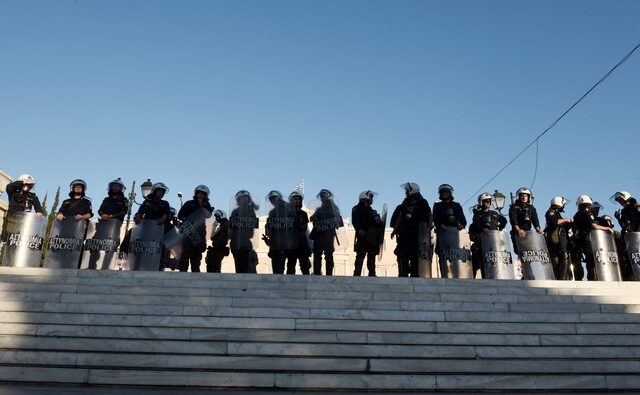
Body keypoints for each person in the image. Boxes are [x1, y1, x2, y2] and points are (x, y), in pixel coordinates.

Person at [390, 182, 433, 277]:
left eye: (407, 190)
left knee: (415, 252)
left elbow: (429, 214)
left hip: (417, 231)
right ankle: (403, 273)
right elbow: (400, 216)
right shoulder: (405, 202)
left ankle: (415, 273)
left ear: (412, 190)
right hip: (405, 230)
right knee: (402, 251)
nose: (406, 192)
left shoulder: (423, 202)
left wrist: (430, 225)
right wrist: (395, 230)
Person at [572, 195, 614, 281]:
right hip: (589, 240)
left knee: (589, 261)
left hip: (581, 240)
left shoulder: (577, 214)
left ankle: (591, 279)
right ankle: (593, 279)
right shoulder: (587, 212)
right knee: (592, 261)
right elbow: (593, 225)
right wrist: (607, 228)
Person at [468, 192, 507, 278]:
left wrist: (499, 229)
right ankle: (474, 278)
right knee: (476, 261)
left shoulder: (494, 213)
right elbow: (476, 224)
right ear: (481, 202)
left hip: (493, 243)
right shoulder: (477, 214)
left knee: (494, 263)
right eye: (486, 201)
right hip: (481, 243)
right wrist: (483, 230)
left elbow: (504, 220)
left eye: (489, 201)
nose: (488, 203)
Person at [176, 185, 214, 272]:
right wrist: (185, 219)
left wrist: (202, 206)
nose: (200, 195)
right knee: (185, 253)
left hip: (200, 232)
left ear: (205, 195)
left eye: (202, 194)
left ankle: (196, 273)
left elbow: (209, 216)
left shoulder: (206, 205)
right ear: (196, 194)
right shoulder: (189, 203)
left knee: (196, 255)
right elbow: (180, 215)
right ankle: (182, 272)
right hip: (188, 231)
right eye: (199, 193)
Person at [310, 189, 344, 276]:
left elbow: (337, 219)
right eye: (321, 196)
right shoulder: (319, 209)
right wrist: (313, 218)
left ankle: (329, 274)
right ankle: (317, 273)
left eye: (323, 196)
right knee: (317, 254)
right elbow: (313, 218)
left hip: (328, 235)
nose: (322, 198)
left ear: (328, 197)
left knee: (328, 254)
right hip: (319, 235)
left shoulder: (334, 208)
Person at [264, 190, 297, 275]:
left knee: (284, 268)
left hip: (286, 243)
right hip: (276, 244)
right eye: (271, 199)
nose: (272, 201)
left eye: (274, 198)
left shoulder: (289, 208)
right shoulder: (272, 212)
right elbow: (270, 229)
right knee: (277, 268)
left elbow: (295, 225)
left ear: (278, 199)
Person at [2, 174, 43, 242]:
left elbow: (38, 208)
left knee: (19, 243)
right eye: (26, 184)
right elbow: (9, 186)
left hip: (23, 222)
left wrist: (39, 212)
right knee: (8, 241)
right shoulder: (13, 192)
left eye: (29, 184)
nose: (27, 186)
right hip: (11, 221)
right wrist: (22, 182)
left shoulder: (32, 196)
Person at [351, 190, 383, 276]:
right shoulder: (357, 208)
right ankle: (357, 273)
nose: (372, 199)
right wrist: (359, 229)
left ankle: (372, 273)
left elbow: (378, 223)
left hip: (372, 237)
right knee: (361, 255)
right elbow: (355, 220)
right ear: (366, 198)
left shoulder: (373, 211)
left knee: (371, 256)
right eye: (371, 197)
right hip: (363, 236)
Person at [433, 184, 467, 263]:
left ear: (450, 193)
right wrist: (441, 225)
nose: (444, 193)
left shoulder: (456, 205)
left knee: (455, 254)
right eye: (442, 192)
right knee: (443, 254)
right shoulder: (437, 206)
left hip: (454, 234)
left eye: (446, 192)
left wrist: (462, 225)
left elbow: (463, 219)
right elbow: (435, 218)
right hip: (442, 233)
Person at [229, 190, 260, 273]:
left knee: (246, 267)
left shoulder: (251, 211)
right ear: (238, 200)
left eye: (246, 197)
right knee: (238, 267)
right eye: (243, 198)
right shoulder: (235, 212)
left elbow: (253, 228)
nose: (245, 199)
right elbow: (231, 228)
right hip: (236, 242)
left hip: (246, 243)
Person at [611, 191, 640, 280]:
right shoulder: (624, 210)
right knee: (627, 259)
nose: (620, 202)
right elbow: (625, 226)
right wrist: (619, 219)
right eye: (618, 200)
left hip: (637, 237)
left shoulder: (636, 207)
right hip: (628, 238)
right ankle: (630, 278)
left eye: (620, 199)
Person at [544, 196, 573, 280]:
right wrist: (565, 220)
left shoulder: (557, 213)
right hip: (555, 242)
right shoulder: (551, 212)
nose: (564, 206)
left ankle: (563, 278)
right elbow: (553, 222)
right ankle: (561, 279)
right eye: (563, 204)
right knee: (558, 259)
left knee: (564, 257)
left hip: (561, 241)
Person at [508, 187, 542, 254]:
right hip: (518, 233)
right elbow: (513, 220)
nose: (524, 198)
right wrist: (518, 230)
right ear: (519, 196)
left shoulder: (531, 207)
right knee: (520, 252)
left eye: (526, 196)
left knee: (531, 252)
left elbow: (535, 219)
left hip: (528, 233)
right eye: (522, 196)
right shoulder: (514, 207)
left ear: (528, 197)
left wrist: (538, 228)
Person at [287, 190, 311, 275]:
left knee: (304, 265)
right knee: (291, 264)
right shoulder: (288, 213)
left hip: (302, 242)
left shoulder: (303, 214)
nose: (297, 201)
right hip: (291, 242)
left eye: (298, 199)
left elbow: (304, 228)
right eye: (295, 199)